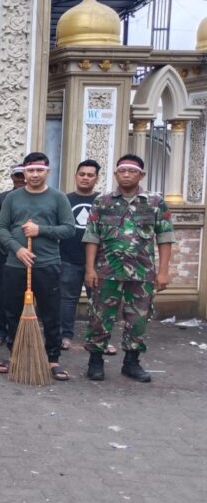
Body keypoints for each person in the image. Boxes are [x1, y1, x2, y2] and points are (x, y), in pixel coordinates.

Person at [83, 155, 174, 383]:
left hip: (142, 272)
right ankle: (95, 361)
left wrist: (163, 272)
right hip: (106, 271)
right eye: (122, 171)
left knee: (139, 319)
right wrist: (89, 269)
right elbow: (92, 236)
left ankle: (131, 363)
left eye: (131, 171)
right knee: (99, 316)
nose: (126, 175)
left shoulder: (154, 202)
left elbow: (165, 237)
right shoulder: (102, 202)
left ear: (141, 175)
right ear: (115, 174)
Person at [0, 152, 74, 380]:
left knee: (50, 312)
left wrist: (42, 231)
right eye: (30, 170)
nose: (35, 175)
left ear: (47, 171)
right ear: (24, 172)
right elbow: (2, 228)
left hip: (47, 264)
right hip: (15, 264)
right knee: (13, 312)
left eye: (40, 170)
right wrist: (17, 249)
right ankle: (15, 355)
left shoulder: (58, 198)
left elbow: (69, 228)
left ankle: (52, 359)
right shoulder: (12, 198)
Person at [60, 159, 101, 351]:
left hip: (99, 262)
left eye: (90, 175)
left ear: (96, 178)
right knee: (67, 299)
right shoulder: (64, 200)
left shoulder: (103, 202)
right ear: (75, 176)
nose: (85, 178)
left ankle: (97, 338)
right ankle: (65, 336)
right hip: (68, 258)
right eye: (82, 174)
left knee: (99, 301)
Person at [0, 163, 26, 345]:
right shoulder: (2, 198)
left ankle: (22, 331)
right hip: (7, 254)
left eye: (22, 176)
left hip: (33, 254)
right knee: (5, 293)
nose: (20, 179)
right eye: (17, 176)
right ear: (12, 177)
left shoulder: (37, 197)